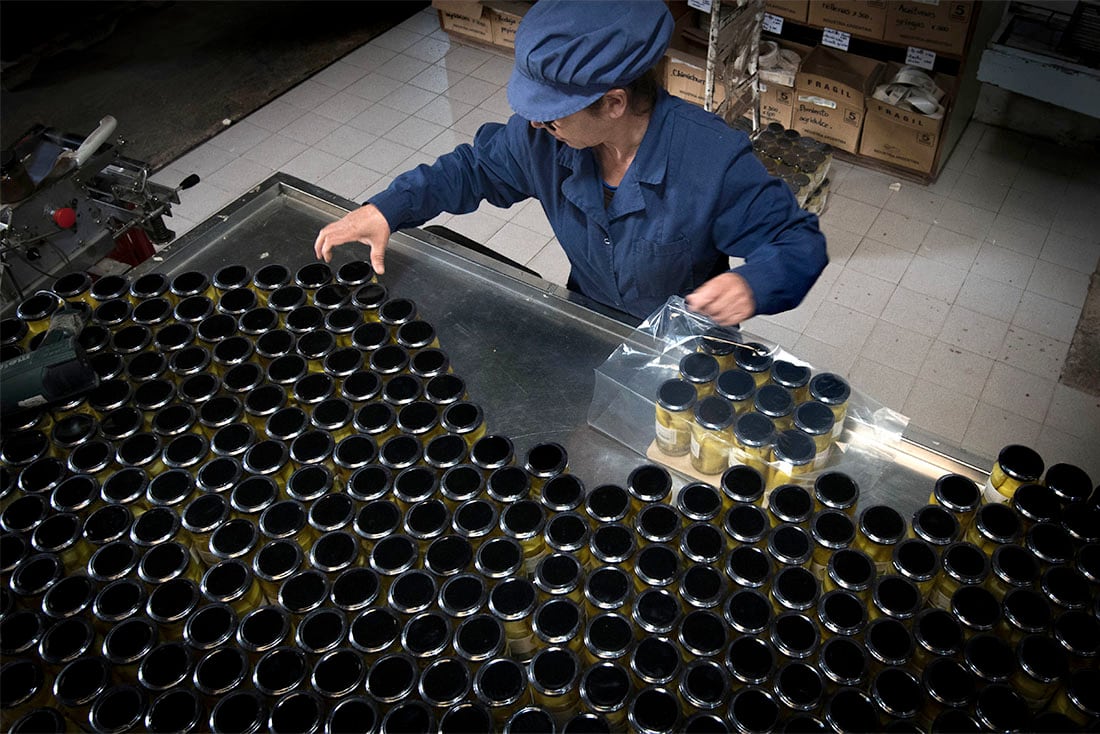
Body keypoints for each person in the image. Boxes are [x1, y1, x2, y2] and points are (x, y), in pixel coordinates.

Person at [314, 0, 827, 326]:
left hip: (685, 347)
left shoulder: (711, 160)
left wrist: (752, 284)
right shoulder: (544, 142)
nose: (537, 126)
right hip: (588, 320)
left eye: (552, 116)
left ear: (614, 103)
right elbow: (472, 169)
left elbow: (798, 242)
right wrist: (388, 208)